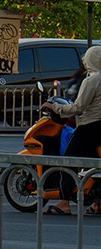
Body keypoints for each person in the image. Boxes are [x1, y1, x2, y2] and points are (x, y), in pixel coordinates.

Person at [44, 45, 101, 215]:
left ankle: (64, 202)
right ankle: (98, 202)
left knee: (68, 162)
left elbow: (78, 107)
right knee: (96, 165)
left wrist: (54, 107)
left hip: (89, 128)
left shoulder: (91, 81)